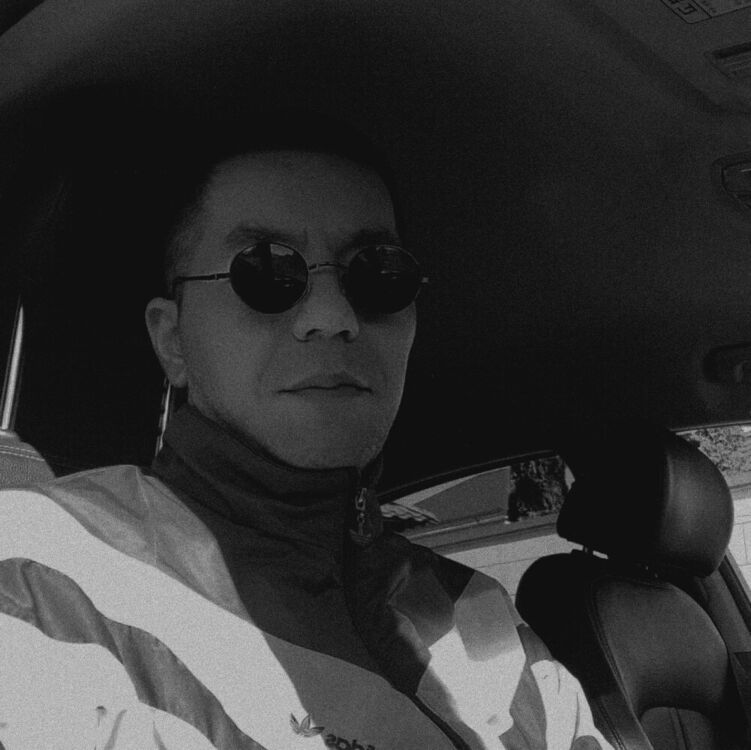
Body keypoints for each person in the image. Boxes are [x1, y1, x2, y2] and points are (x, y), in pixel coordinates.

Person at [0, 108, 613, 749]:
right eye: (266, 271)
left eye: (378, 273)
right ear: (173, 339)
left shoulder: (493, 629)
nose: (333, 315)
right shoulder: (43, 578)